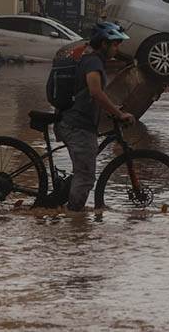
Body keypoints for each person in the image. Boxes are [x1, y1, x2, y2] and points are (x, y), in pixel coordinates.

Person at [56, 24, 135, 211]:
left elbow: (90, 94)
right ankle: (74, 222)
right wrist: (119, 114)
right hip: (77, 125)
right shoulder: (93, 62)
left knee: (82, 173)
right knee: (85, 177)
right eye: (115, 44)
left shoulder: (91, 59)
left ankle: (66, 208)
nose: (118, 48)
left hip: (76, 122)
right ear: (104, 44)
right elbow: (95, 92)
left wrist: (112, 109)